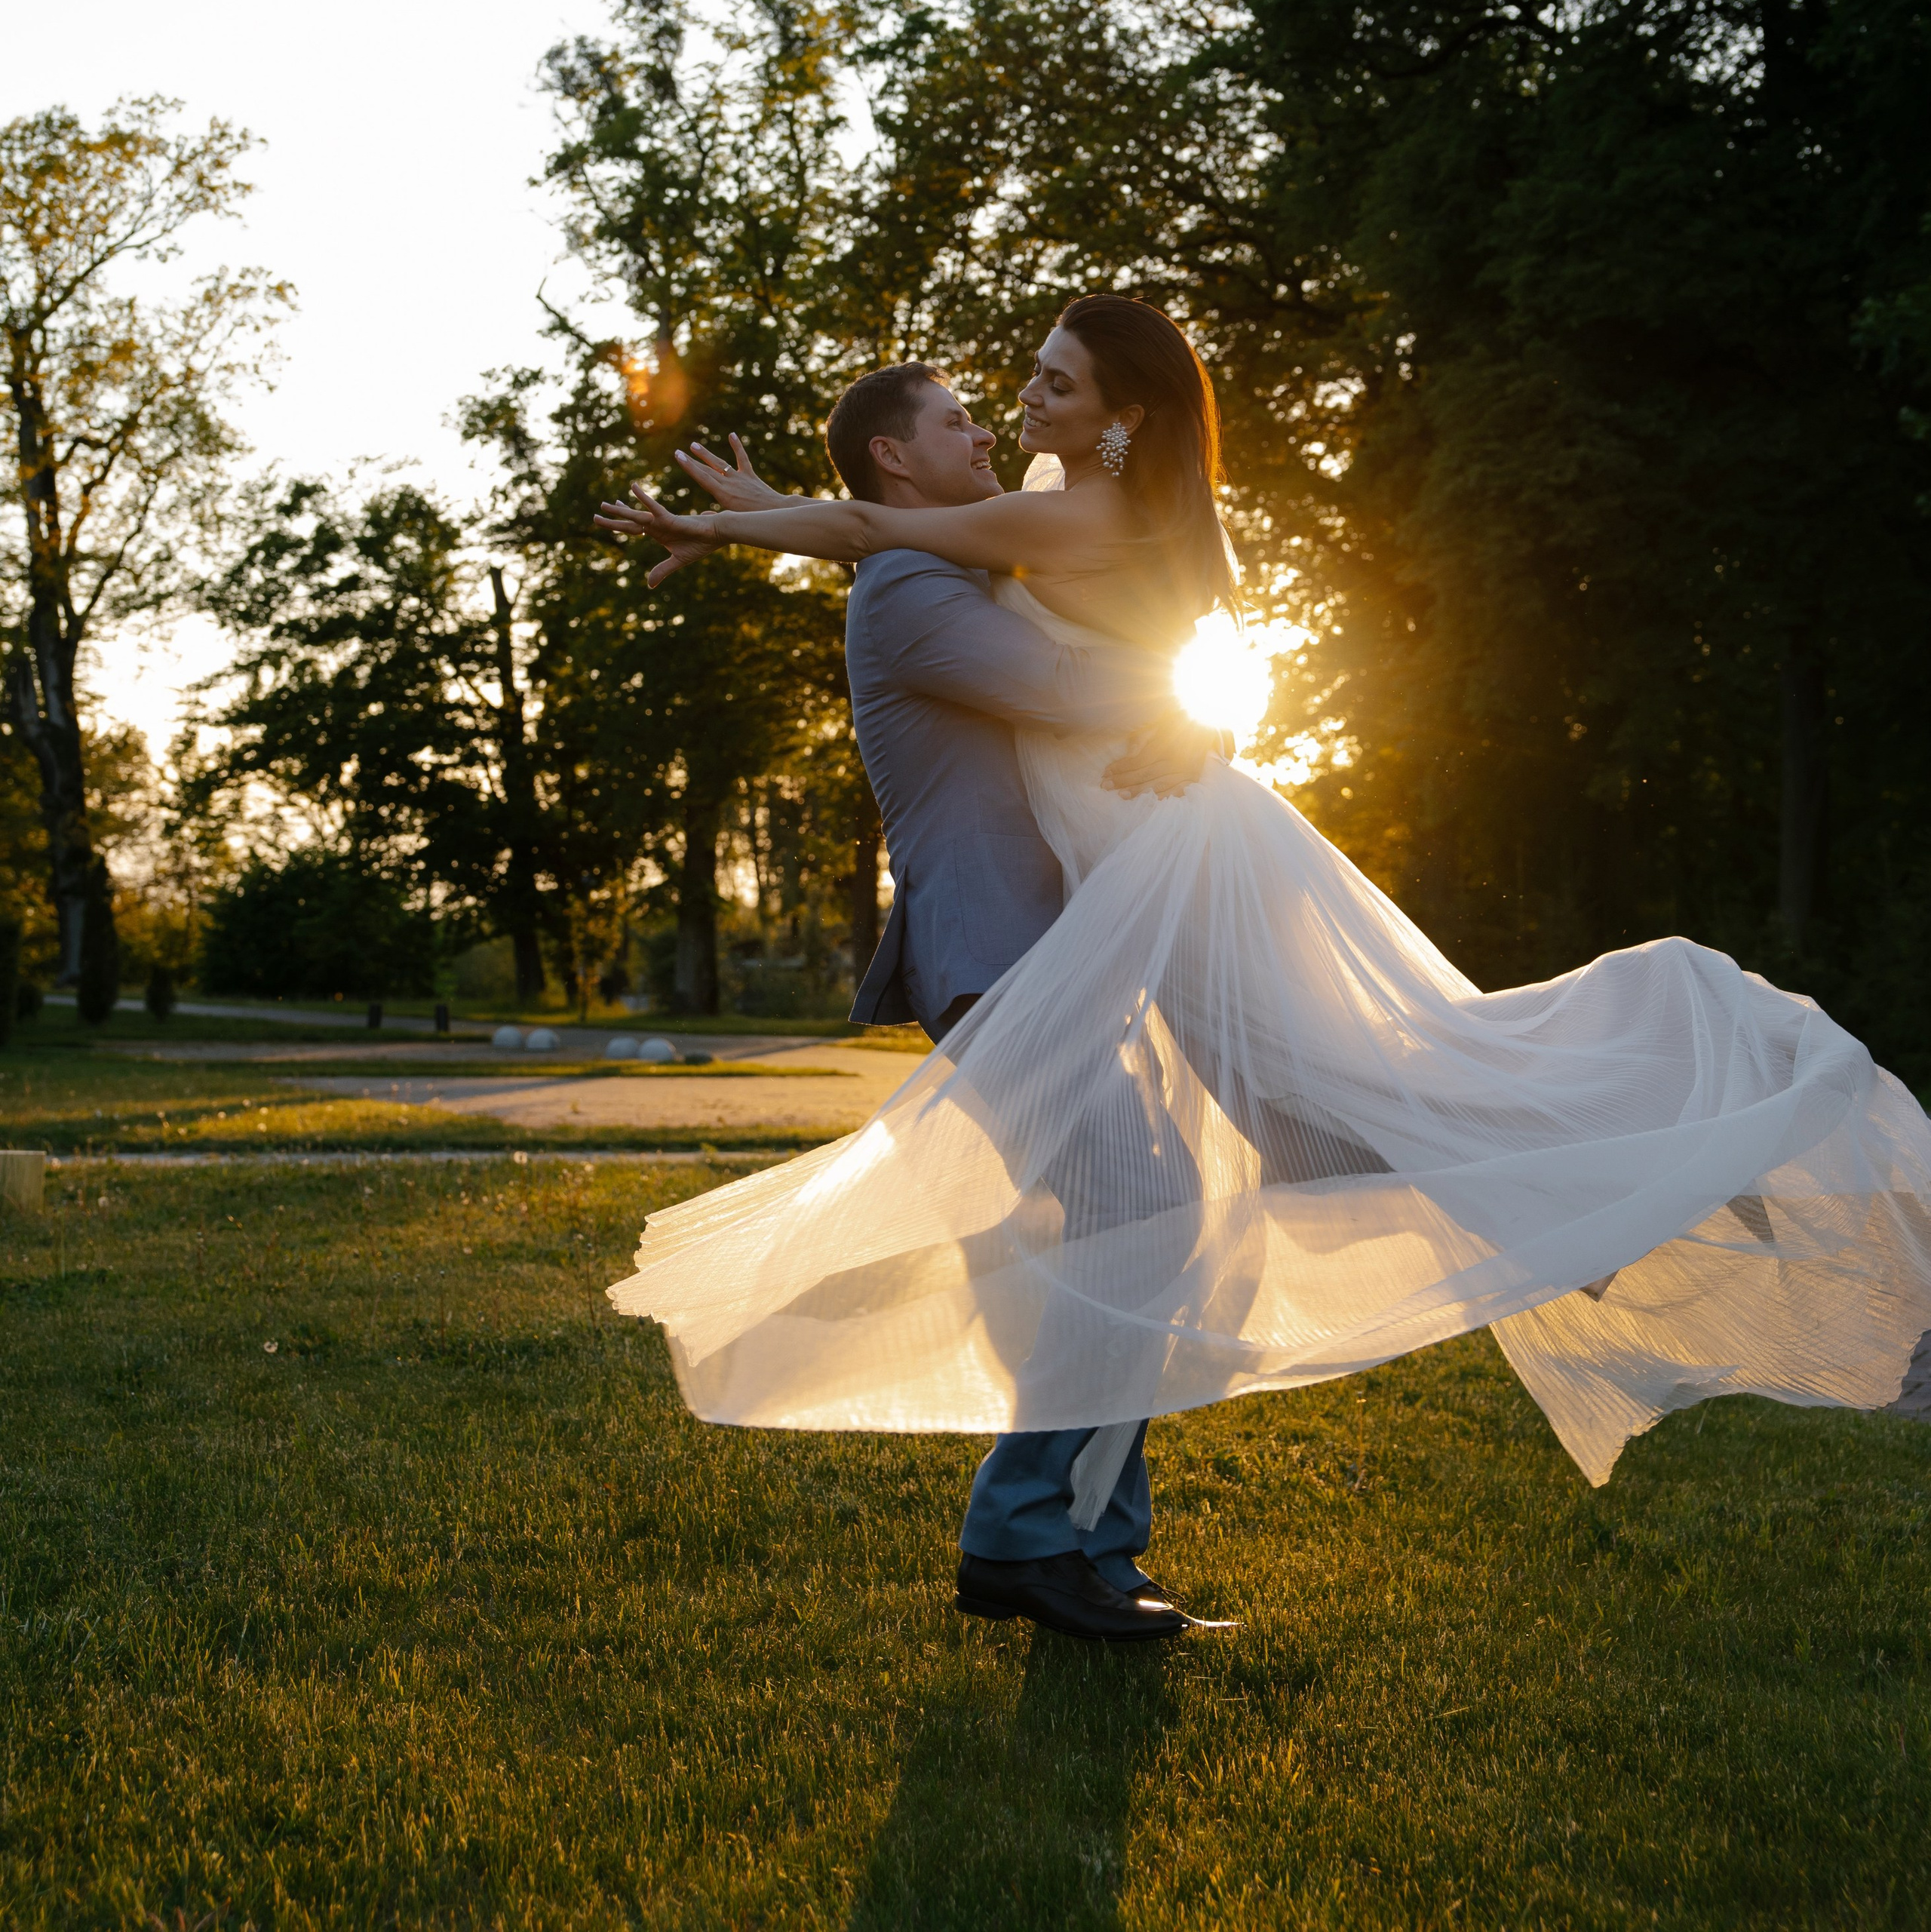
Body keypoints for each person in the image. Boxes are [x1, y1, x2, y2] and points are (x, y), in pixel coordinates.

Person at [599, 294, 1931, 1577]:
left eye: (1050, 383)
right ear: (902, 451)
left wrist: (758, 527)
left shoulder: (1060, 519)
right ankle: (1582, 1207)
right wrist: (754, 522)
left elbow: (977, 606)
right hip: (1114, 880)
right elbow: (906, 555)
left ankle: (1594, 1196)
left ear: (1122, 417)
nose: (1010, 409)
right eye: (981, 407)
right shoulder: (965, 554)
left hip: (1162, 859)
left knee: (1296, 1123)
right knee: (1268, 1144)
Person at [628, 363, 1220, 1642]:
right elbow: (1065, 689)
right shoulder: (909, 590)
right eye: (954, 419)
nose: (985, 429)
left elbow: (893, 537)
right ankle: (1027, 1539)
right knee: (1146, 1211)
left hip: (1047, 954)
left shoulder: (931, 565)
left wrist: (762, 508)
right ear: (898, 460)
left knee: (1134, 1221)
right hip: (993, 955)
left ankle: (1091, 1547)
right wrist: (1203, 720)